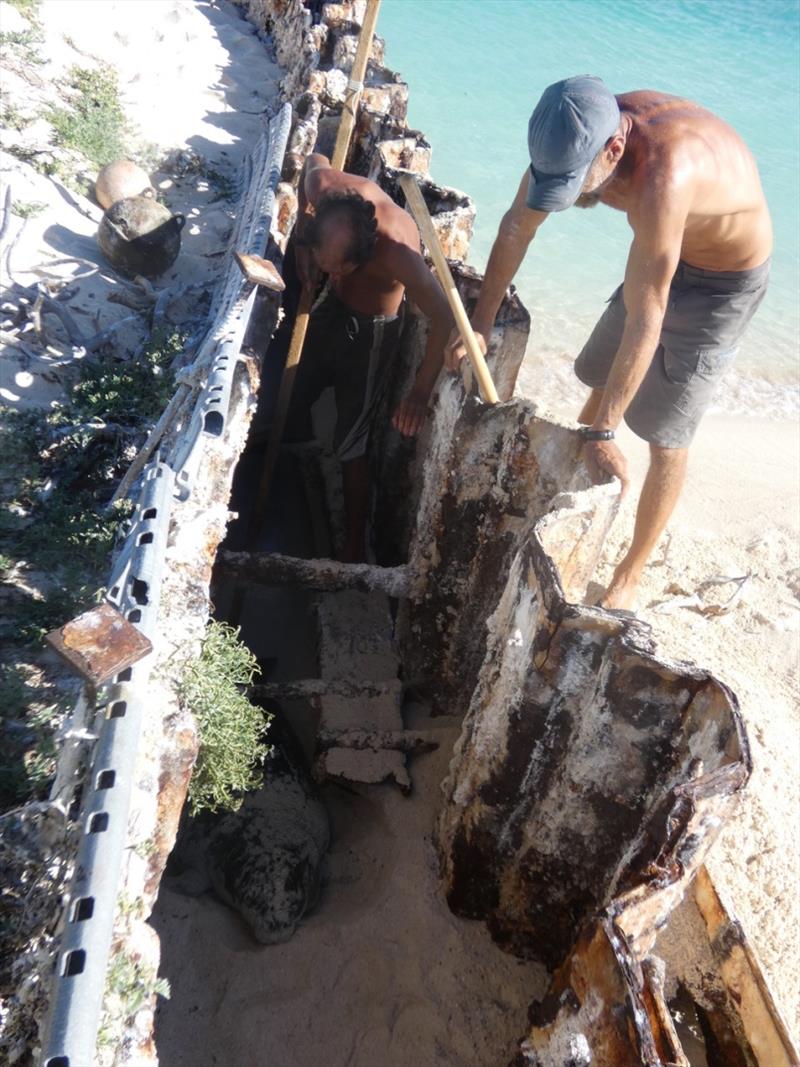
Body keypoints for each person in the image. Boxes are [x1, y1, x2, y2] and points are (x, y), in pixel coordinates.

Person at [446, 76, 772, 610]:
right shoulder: (574, 129)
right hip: (662, 248)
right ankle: (583, 473)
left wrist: (605, 430)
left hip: (724, 281)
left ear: (614, 149)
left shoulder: (664, 177)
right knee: (601, 375)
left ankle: (632, 570)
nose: (569, 198)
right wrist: (480, 323)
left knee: (666, 434)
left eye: (576, 183)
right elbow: (514, 228)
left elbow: (648, 317)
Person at [288, 152, 453, 562]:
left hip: (371, 338)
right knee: (292, 386)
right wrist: (303, 249)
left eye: (339, 269)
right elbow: (315, 158)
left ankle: (353, 543)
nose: (334, 273)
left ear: (364, 257)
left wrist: (419, 392)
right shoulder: (324, 187)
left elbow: (446, 319)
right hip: (331, 312)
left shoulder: (397, 252)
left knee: (352, 440)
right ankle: (285, 450)